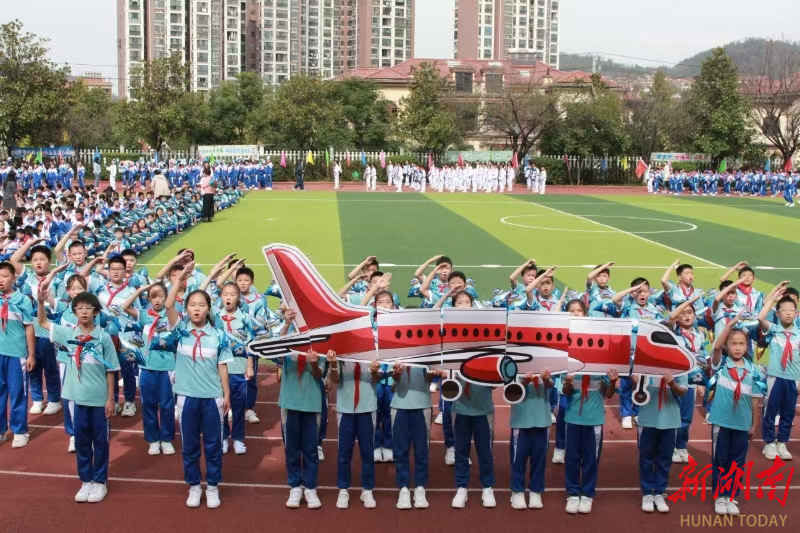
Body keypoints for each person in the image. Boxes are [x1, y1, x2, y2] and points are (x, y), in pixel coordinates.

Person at [36, 283, 118, 502]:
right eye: (79, 308)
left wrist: (110, 399)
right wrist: (40, 302)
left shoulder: (103, 338)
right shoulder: (67, 334)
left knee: (100, 442)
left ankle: (99, 481)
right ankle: (86, 480)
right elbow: (42, 322)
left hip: (99, 399)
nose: (83, 312)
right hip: (76, 398)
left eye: (88, 308)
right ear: (74, 312)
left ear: (96, 311)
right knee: (81, 441)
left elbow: (111, 370)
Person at [166, 262, 232, 509]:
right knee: (190, 445)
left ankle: (212, 486)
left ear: (208, 309)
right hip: (186, 397)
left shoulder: (219, 335)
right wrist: (180, 279)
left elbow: (222, 366)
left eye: (201, 305)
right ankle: (194, 486)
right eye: (192, 305)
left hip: (212, 397)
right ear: (187, 309)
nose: (196, 309)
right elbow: (170, 304)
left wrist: (226, 394)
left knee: (214, 445)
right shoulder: (180, 330)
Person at [709, 312, 764, 516]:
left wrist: (754, 424)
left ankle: (731, 496)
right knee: (720, 459)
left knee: (737, 462)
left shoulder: (754, 371)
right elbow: (715, 346)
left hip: (742, 423)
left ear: (747, 346)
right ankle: (719, 496)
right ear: (727, 346)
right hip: (722, 422)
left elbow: (755, 399)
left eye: (742, 343)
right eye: (734, 343)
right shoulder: (721, 365)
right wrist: (730, 325)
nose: (738, 347)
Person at [279, 308, 326, 509]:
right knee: (291, 449)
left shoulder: (320, 339)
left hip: (311, 401)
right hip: (289, 402)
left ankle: (311, 487)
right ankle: (295, 486)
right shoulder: (286, 335)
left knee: (310, 448)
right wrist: (287, 324)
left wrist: (314, 365)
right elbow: (277, 353)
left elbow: (320, 374)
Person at [562, 368, 619, 514]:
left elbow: (608, 394)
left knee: (591, 460)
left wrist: (612, 383)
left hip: (594, 421)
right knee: (571, 459)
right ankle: (573, 494)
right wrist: (568, 384)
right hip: (573, 419)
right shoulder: (571, 364)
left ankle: (587, 494)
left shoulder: (600, 366)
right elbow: (565, 391)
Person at [329, 353, 380, 509]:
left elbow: (377, 379)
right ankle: (343, 488)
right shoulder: (342, 349)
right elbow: (335, 380)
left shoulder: (374, 348)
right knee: (344, 452)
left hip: (367, 406)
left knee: (367, 451)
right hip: (346, 408)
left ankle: (367, 489)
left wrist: (373, 371)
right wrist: (332, 364)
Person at [758, 283, 798, 461]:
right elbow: (760, 318)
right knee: (771, 410)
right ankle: (768, 443)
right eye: (784, 309)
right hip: (775, 376)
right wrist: (773, 297)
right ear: (778, 313)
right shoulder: (774, 330)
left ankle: (782, 442)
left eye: (792, 310)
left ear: (796, 314)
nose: (788, 312)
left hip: (793, 378)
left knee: (788, 413)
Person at [0, 261, 36, 448]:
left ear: (14, 278)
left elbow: (29, 328)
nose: (1, 280)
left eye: (5, 276)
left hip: (17, 354)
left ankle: (20, 430)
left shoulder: (22, 300)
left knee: (17, 393)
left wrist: (31, 354)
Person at [509, 369, 553, 510]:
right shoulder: (512, 361)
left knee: (539, 458)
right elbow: (510, 391)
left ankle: (535, 490)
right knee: (518, 458)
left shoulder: (547, 357)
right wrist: (524, 382)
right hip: (520, 419)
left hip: (542, 418)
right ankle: (517, 491)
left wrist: (546, 380)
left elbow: (552, 385)